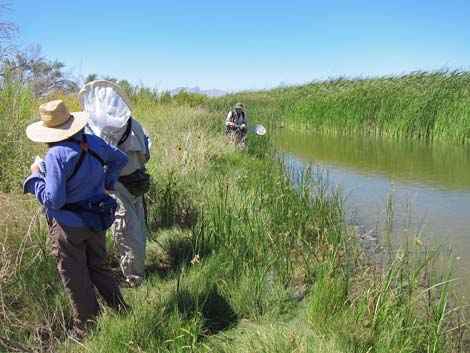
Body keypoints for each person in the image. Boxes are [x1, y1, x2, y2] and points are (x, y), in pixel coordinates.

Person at [23, 100, 129, 337]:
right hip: (97, 218)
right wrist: (107, 183)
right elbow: (120, 159)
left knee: (75, 275)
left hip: (68, 226)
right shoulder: (93, 142)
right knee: (99, 267)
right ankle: (122, 311)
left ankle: (86, 329)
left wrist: (35, 177)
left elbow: (55, 200)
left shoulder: (55, 155)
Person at [79, 80, 151, 287]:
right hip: (137, 181)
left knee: (125, 231)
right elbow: (147, 154)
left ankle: (134, 279)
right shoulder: (134, 123)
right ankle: (139, 270)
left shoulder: (106, 128)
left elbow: (101, 160)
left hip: (118, 186)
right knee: (137, 227)